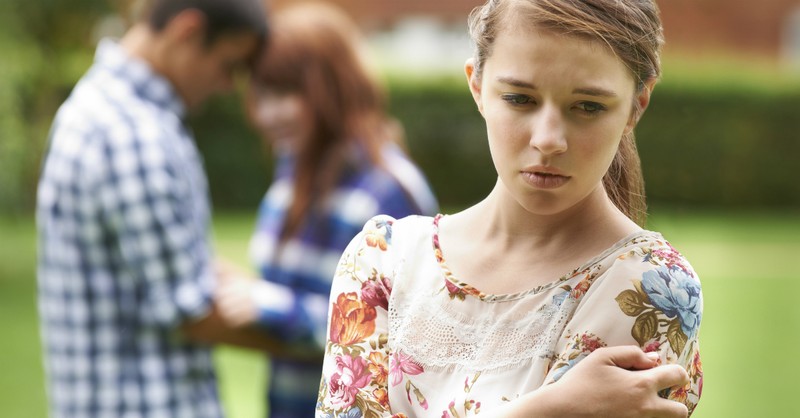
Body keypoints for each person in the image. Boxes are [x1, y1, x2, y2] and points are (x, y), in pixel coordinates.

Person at [315, 0, 704, 417]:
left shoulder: (647, 287)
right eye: (520, 98)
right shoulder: (383, 258)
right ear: (477, 87)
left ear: (636, 105)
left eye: (588, 106)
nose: (548, 139)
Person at [35, 1, 282, 417]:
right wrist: (336, 342)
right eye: (229, 65)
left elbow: (186, 263)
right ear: (187, 32)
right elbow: (190, 307)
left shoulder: (107, 110)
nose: (227, 85)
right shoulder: (131, 133)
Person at [213, 3, 439, 418]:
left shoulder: (389, 190)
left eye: (285, 94)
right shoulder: (292, 174)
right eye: (260, 95)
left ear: (332, 88)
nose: (267, 114)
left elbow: (402, 338)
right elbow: (299, 292)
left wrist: (269, 306)